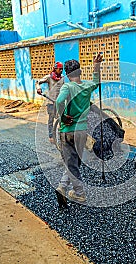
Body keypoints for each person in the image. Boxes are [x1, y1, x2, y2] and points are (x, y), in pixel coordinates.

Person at [55, 53, 103, 202]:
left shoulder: (68, 87)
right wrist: (96, 65)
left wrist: (63, 116)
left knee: (71, 162)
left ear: (67, 75)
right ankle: (62, 186)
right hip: (82, 131)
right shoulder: (87, 87)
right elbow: (96, 81)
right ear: (80, 72)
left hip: (67, 131)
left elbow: (59, 101)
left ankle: (79, 193)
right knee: (74, 162)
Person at [35, 62, 65, 143]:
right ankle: (51, 136)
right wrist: (38, 88)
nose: (61, 70)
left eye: (62, 69)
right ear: (55, 69)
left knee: (62, 119)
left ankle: (62, 136)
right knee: (51, 119)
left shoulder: (62, 78)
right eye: (59, 69)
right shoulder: (49, 77)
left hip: (60, 102)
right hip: (51, 102)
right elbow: (37, 82)